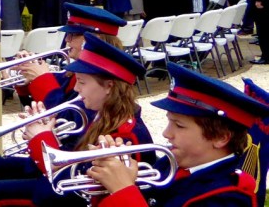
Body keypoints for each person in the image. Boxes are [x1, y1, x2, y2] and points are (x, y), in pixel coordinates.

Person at [0, 33, 153, 206]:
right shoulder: (99, 112)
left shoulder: (127, 135)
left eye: (81, 82)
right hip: (53, 185)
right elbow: (69, 149)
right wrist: (41, 127)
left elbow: (71, 185)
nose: (77, 89)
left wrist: (41, 139)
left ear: (109, 87)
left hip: (62, 196)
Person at [89, 63, 269, 207]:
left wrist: (124, 190)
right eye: (169, 122)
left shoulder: (229, 196)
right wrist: (107, 181)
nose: (166, 133)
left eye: (179, 125)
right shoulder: (169, 165)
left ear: (221, 137)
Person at [16, 2, 126, 110]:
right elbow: (37, 106)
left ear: (94, 39)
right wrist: (25, 78)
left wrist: (42, 78)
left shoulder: (100, 77)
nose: (67, 39)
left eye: (72, 35)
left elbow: (68, 117)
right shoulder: (71, 73)